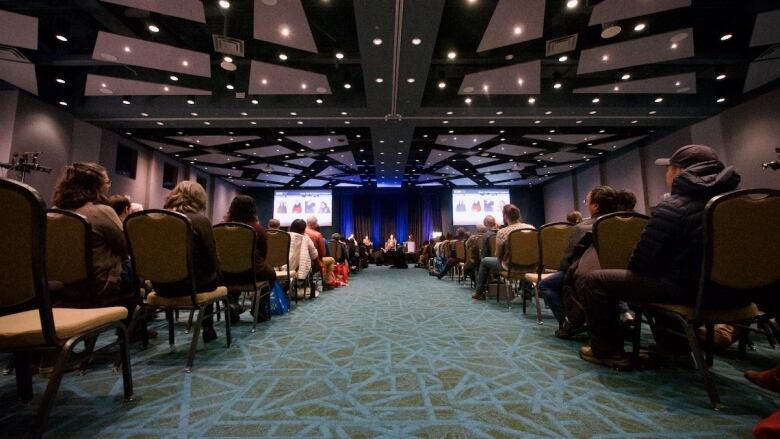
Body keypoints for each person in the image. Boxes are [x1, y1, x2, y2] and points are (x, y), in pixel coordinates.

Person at [578, 144, 741, 370]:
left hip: (689, 293)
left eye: (668, 169)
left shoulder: (674, 206)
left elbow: (642, 263)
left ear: (679, 172)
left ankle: (607, 352)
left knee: (597, 281)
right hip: (739, 296)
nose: (666, 175)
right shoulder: (736, 204)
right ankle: (676, 348)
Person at [537, 186, 619, 332]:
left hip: (584, 275)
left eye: (587, 201)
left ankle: (569, 321)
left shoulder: (582, 228)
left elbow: (567, 262)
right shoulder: (622, 225)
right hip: (618, 273)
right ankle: (624, 313)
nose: (586, 204)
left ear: (595, 206)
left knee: (545, 284)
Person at [51, 163, 133, 309]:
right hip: (100, 285)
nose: (109, 186)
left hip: (65, 286)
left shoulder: (53, 212)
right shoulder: (101, 211)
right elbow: (126, 247)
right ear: (96, 186)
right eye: (107, 182)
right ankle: (136, 327)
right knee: (139, 265)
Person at [161, 181, 223, 343]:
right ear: (200, 199)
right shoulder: (200, 221)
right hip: (193, 286)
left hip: (159, 286)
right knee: (215, 275)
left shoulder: (156, 219)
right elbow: (212, 260)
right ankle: (207, 326)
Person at [224, 195, 277, 323]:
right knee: (271, 274)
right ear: (253, 210)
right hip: (252, 273)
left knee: (231, 276)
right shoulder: (257, 229)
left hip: (226, 275)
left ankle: (232, 302)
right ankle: (258, 307)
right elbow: (264, 255)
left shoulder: (221, 227)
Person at [473, 204, 535, 300]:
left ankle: (479, 292)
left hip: (510, 267)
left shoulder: (503, 232)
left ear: (505, 216)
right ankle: (527, 293)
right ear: (518, 215)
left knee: (485, 261)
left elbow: (498, 255)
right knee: (525, 259)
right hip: (531, 267)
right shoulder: (531, 228)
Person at [287, 219, 319, 295]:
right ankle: (307, 285)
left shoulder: (284, 236)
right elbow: (314, 254)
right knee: (313, 263)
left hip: (282, 268)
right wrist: (317, 264)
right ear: (304, 229)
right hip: (300, 270)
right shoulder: (306, 238)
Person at [305, 216, 331, 292]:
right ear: (314, 224)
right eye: (316, 223)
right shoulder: (318, 235)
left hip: (300, 261)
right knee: (331, 260)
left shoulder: (301, 232)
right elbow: (323, 253)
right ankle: (326, 282)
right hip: (314, 263)